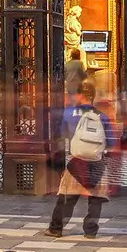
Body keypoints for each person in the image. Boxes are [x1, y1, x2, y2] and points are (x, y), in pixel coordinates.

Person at [47, 80, 114, 237]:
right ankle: (90, 230)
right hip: (97, 162)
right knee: (95, 199)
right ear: (93, 97)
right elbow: (110, 142)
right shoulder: (102, 116)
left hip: (76, 161)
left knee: (67, 198)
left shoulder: (69, 114)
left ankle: (56, 228)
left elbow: (62, 137)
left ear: (80, 95)